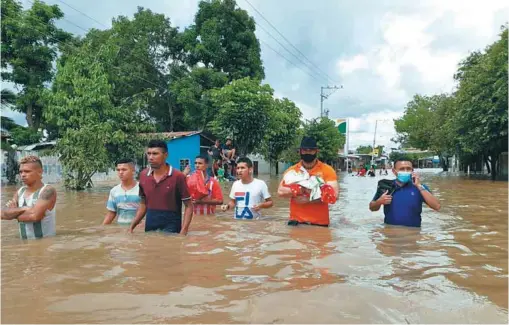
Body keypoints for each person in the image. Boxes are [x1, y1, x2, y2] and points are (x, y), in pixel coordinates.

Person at [128, 140, 193, 235]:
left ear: (165, 155)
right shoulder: (143, 175)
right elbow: (143, 204)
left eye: (155, 154)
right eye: (149, 154)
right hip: (150, 226)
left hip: (172, 227)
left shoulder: (178, 176)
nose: (150, 157)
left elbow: (189, 206)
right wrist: (131, 227)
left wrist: (184, 231)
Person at [277, 136, 339, 227]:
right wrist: (300, 189)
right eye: (305, 150)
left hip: (320, 224)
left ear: (316, 151)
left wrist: (309, 199)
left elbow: (334, 195)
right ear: (300, 151)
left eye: (311, 150)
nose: (308, 152)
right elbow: (280, 191)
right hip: (296, 223)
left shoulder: (327, 170)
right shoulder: (292, 171)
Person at [369, 158, 441, 227]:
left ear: (412, 171)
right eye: (402, 169)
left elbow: (437, 206)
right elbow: (372, 208)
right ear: (394, 171)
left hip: (413, 234)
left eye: (408, 169)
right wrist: (379, 202)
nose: (405, 171)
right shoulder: (386, 186)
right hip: (390, 234)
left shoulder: (420, 188)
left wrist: (419, 186)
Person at [1, 155, 57, 239]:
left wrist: (13, 213)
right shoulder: (20, 192)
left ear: (40, 172)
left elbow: (35, 216)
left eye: (27, 171)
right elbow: (2, 214)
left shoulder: (48, 190)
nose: (22, 175)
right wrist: (25, 209)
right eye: (21, 172)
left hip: (44, 244)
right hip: (24, 244)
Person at [102, 158, 141, 226]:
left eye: (124, 169)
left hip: (138, 231)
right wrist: (102, 229)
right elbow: (111, 213)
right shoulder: (114, 191)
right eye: (118, 170)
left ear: (133, 170)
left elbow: (151, 211)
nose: (120, 172)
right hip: (121, 231)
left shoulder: (142, 188)